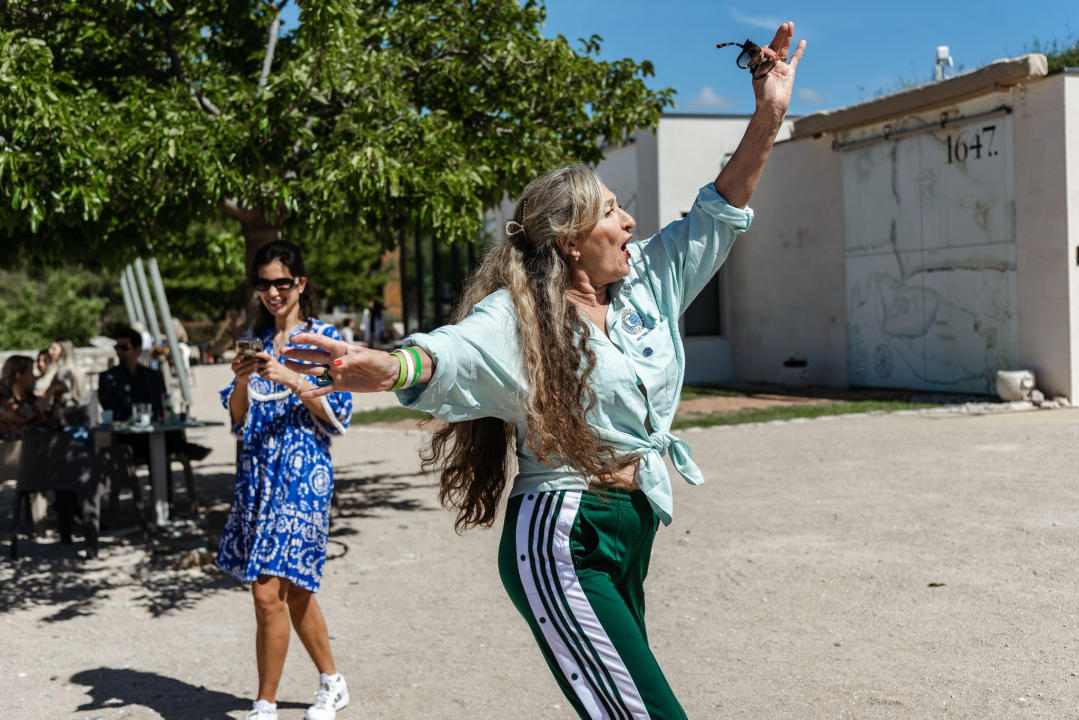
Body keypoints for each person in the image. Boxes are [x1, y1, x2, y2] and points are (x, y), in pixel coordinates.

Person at [282, 23, 805, 718]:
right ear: (569, 241)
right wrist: (379, 363)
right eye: (612, 211)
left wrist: (768, 113)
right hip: (564, 532)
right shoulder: (518, 315)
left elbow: (721, 205)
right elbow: (444, 354)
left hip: (630, 521)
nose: (629, 221)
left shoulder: (647, 280)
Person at [218, 240, 353, 720]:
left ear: (300, 283)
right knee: (294, 590)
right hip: (257, 476)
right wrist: (241, 381)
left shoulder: (323, 339)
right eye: (264, 283)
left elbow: (338, 418)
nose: (273, 292)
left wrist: (290, 378)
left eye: (282, 282)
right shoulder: (253, 338)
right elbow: (237, 421)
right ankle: (332, 682)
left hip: (303, 477)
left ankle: (264, 705)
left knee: (266, 591)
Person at [98, 328, 211, 461]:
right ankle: (183, 448)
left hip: (156, 431)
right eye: (117, 347)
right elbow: (112, 410)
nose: (119, 352)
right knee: (161, 444)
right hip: (128, 437)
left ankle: (179, 449)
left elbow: (162, 405)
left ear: (137, 349)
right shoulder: (108, 378)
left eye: (124, 347)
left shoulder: (152, 376)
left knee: (164, 437)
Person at [1, 356, 65, 440]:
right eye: (30, 372)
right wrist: (51, 390)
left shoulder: (29, 400)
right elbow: (27, 415)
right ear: (19, 375)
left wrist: (57, 399)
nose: (34, 377)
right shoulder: (4, 402)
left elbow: (52, 424)